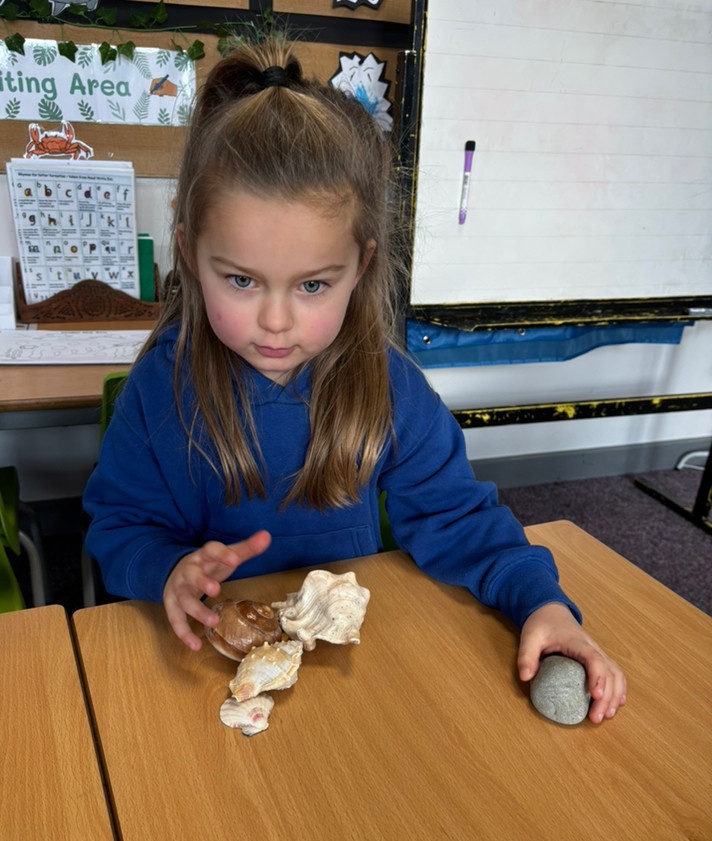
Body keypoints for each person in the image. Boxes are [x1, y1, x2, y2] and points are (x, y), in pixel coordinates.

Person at [83, 40, 626, 724]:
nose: (275, 321)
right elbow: (120, 528)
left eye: (313, 285)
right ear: (190, 253)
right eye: (241, 280)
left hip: (346, 679)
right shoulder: (159, 391)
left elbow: (459, 519)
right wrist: (166, 570)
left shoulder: (389, 386)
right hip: (205, 676)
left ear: (360, 266)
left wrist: (542, 603)